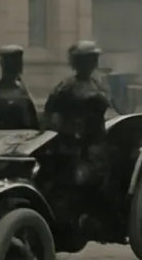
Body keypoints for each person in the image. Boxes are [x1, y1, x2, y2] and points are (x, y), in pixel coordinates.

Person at [43, 42, 114, 230]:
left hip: (95, 145)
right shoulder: (66, 87)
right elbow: (49, 114)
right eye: (88, 59)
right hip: (71, 147)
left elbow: (112, 110)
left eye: (93, 59)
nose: (92, 63)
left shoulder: (98, 85)